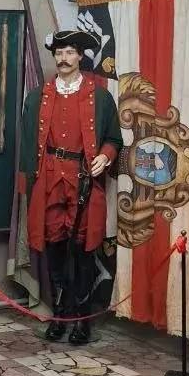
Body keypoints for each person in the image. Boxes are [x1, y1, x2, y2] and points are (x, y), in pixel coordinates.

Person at [18, 29, 123, 346]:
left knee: (83, 250)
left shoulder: (100, 97)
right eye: (59, 53)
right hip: (49, 179)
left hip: (84, 179)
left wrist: (105, 157)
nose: (63, 59)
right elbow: (27, 147)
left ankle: (82, 319)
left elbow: (114, 139)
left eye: (69, 53)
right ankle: (61, 314)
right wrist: (27, 186)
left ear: (79, 56)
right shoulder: (37, 97)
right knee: (54, 248)